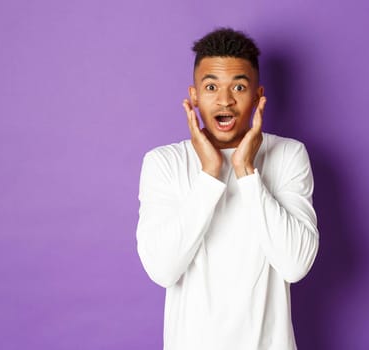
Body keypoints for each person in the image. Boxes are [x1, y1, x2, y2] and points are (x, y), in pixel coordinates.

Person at [136, 28, 319, 350]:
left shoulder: (289, 154)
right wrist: (210, 174)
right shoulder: (163, 162)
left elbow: (295, 264)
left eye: (239, 86)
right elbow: (162, 270)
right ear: (194, 96)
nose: (225, 100)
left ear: (258, 95)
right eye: (211, 87)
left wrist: (246, 172)